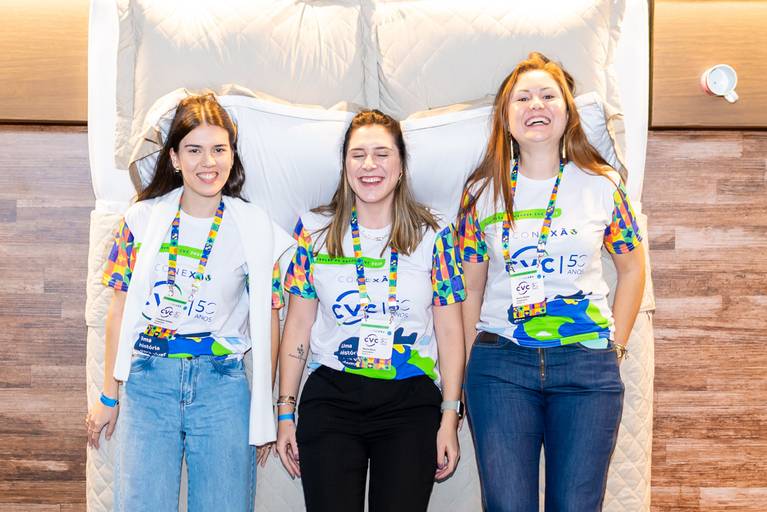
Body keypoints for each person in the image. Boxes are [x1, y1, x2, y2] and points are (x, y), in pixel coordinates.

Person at [84, 94, 294, 511]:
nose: (208, 162)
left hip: (222, 384)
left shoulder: (255, 226)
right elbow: (118, 308)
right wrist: (109, 395)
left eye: (219, 149)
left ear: (232, 155)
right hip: (149, 380)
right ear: (175, 158)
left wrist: (263, 408)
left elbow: (270, 317)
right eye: (194, 150)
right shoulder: (140, 220)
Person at [458, 52, 646, 511]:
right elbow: (472, 288)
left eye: (548, 95)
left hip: (586, 365)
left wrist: (617, 348)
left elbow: (632, 269)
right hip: (500, 366)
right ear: (506, 117)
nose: (535, 105)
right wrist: (466, 367)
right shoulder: (480, 192)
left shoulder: (603, 183)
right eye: (522, 98)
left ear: (567, 112)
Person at [275, 110, 466, 512]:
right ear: (345, 166)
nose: (369, 165)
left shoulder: (435, 234)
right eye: (358, 155)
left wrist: (450, 415)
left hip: (410, 400)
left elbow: (451, 333)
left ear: (401, 165)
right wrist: (285, 413)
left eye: (382, 154)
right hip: (332, 397)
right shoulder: (313, 231)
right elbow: (298, 325)